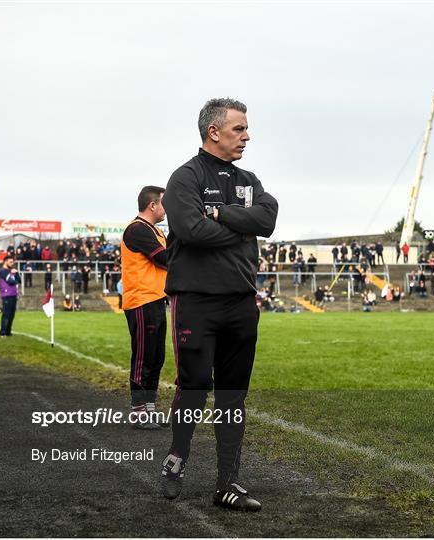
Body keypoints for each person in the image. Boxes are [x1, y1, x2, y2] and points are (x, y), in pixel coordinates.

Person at [160, 98, 278, 511]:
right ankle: (177, 459)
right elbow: (192, 231)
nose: (247, 136)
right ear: (214, 132)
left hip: (241, 303)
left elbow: (267, 219)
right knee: (193, 389)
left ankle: (228, 482)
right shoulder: (184, 178)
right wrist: (241, 229)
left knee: (233, 396)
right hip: (196, 302)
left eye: (246, 129)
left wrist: (221, 214)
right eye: (239, 129)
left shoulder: (249, 179)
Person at [121, 186, 168, 430]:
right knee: (143, 357)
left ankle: (149, 408)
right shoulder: (137, 229)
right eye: (164, 202)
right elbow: (164, 258)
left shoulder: (155, 230)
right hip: (141, 300)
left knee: (157, 356)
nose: (166, 208)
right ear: (153, 205)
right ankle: (138, 411)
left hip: (156, 299)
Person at [0, 256, 21, 337]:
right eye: (10, 262)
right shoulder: (2, 271)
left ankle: (8, 332)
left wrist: (17, 273)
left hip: (13, 295)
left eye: (13, 262)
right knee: (6, 314)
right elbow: (10, 281)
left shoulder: (11, 271)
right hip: (6, 295)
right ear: (5, 262)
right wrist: (12, 273)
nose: (12, 263)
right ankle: (3, 332)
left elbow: (19, 280)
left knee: (12, 314)